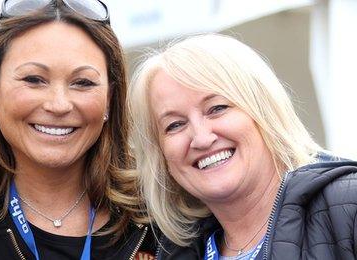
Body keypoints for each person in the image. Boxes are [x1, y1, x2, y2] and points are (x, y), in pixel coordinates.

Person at [0, 0, 155, 259]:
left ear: (109, 99)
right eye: (34, 80)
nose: (58, 105)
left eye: (82, 82)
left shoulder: (161, 220)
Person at [129, 33, 357, 259]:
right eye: (175, 125)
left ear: (264, 110)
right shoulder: (173, 252)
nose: (201, 138)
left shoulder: (348, 207)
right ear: (160, 154)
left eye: (217, 108)